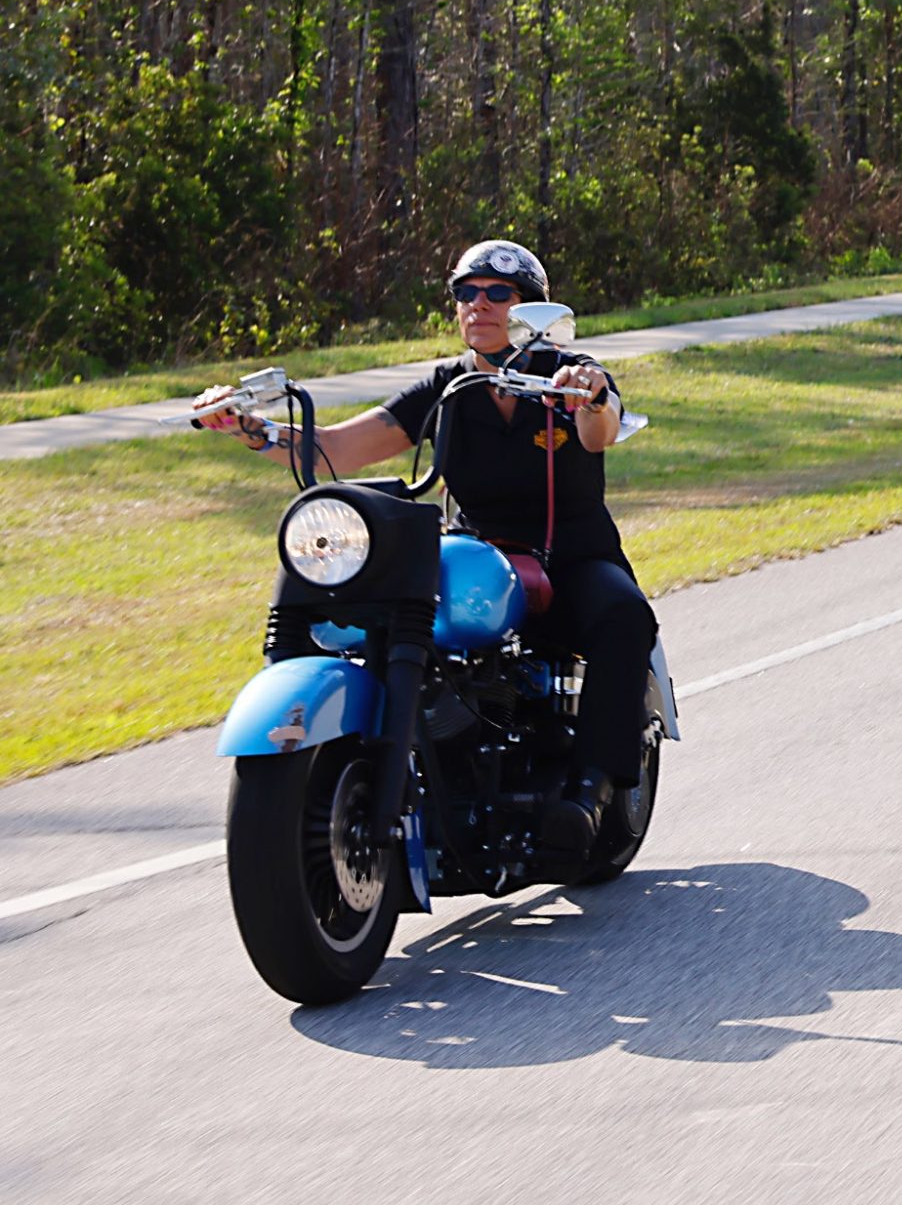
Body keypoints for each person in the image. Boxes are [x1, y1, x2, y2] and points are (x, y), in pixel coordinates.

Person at [191, 240, 657, 852]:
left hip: (568, 559)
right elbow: (336, 448)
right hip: (474, 560)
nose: (478, 306)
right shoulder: (448, 387)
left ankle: (591, 790)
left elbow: (598, 431)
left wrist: (591, 393)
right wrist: (253, 432)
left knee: (624, 616)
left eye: (497, 294)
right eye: (466, 293)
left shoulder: (567, 377)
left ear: (532, 309)